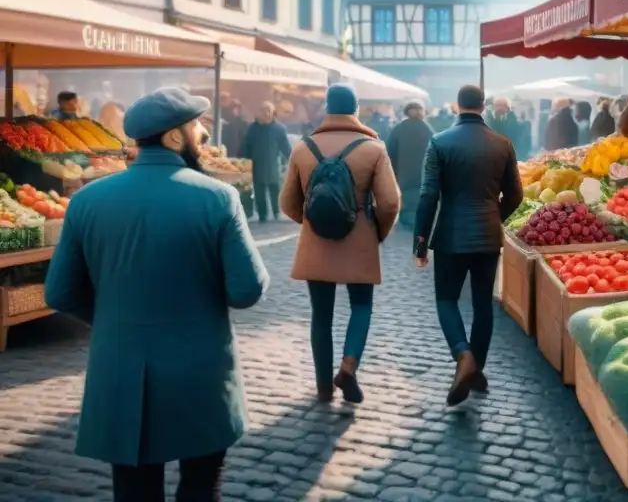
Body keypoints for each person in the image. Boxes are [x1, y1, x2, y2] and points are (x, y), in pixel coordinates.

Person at [44, 87, 269, 502]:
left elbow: (59, 292)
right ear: (172, 137)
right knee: (200, 486)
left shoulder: (86, 201)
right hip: (199, 371)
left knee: (134, 491)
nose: (203, 133)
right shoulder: (218, 197)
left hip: (120, 366)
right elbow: (247, 289)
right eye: (196, 125)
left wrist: (112, 316)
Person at [281, 84, 400, 404]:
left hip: (315, 242)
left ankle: (322, 387)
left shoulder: (303, 148)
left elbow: (287, 202)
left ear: (326, 109)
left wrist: (311, 223)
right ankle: (348, 367)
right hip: (359, 237)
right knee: (361, 306)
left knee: (321, 314)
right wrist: (377, 231)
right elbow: (390, 203)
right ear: (356, 109)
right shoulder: (374, 148)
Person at [414, 84, 522, 406]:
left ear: (456, 106)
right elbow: (516, 194)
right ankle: (476, 369)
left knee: (446, 299)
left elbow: (428, 195)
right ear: (483, 106)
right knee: (482, 306)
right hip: (488, 235)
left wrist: (420, 241)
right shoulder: (502, 144)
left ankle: (463, 356)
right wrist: (494, 216)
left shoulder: (439, 142)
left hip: (450, 235)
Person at [386, 100, 434, 228]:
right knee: (420, 197)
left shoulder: (398, 128)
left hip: (403, 174)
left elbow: (390, 152)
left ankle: (407, 219)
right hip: (422, 173)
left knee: (405, 198)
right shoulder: (427, 129)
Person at [243, 101, 292, 223]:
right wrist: (243, 161)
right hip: (257, 164)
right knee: (259, 192)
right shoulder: (252, 128)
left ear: (272, 113)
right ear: (259, 113)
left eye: (268, 111)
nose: (265, 113)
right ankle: (262, 215)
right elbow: (246, 146)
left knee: (275, 190)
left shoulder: (279, 128)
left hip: (273, 165)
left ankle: (276, 212)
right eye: (263, 110)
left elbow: (285, 147)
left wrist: (291, 159)